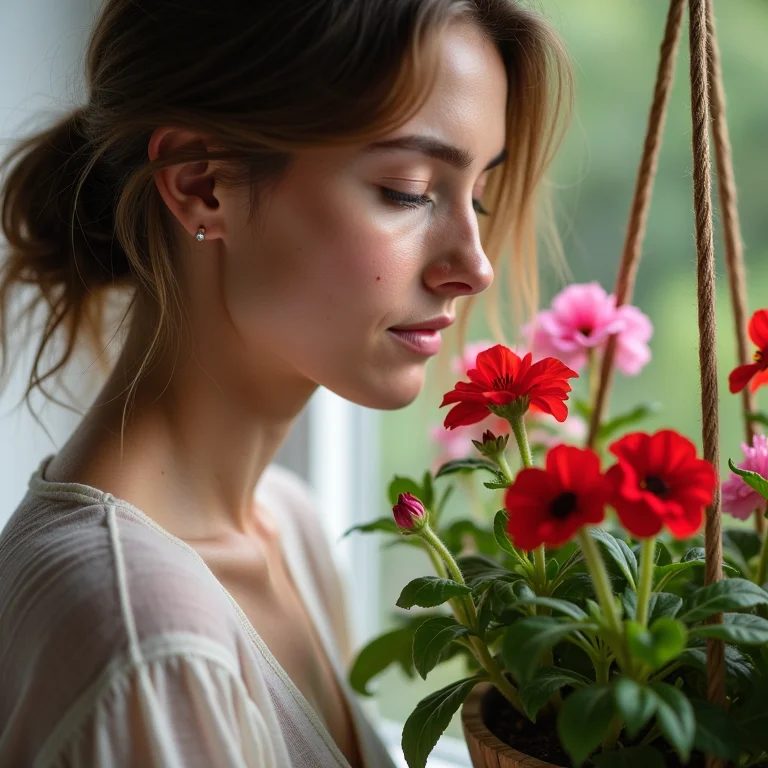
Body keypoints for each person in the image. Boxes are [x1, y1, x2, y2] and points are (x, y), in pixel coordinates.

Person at [0, 1, 571, 765]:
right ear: (202, 185)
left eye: (478, 196)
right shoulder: (153, 646)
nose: (475, 265)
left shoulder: (286, 527)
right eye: (408, 189)